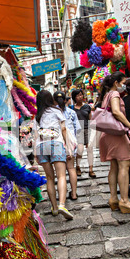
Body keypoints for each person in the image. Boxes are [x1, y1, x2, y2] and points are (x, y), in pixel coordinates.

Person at [98, 71, 130, 214]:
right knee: (124, 164)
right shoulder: (115, 94)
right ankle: (125, 201)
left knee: (114, 166)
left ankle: (114, 199)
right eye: (122, 83)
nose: (123, 86)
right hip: (116, 134)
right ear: (116, 83)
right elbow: (116, 112)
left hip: (107, 134)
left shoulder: (106, 95)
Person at [34, 90, 74, 220]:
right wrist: (68, 147)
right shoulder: (57, 111)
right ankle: (62, 204)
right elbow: (63, 129)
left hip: (41, 146)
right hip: (55, 143)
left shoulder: (37, 116)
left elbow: (35, 135)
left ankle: (55, 208)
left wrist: (35, 152)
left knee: (49, 178)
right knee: (61, 175)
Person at [54, 90, 81, 201]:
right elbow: (78, 129)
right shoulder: (72, 113)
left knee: (61, 174)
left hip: (57, 144)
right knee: (71, 168)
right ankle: (74, 194)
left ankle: (62, 196)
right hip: (70, 144)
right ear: (66, 100)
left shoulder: (52, 113)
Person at [71, 89, 96, 178]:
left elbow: (91, 120)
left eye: (81, 95)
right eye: (77, 96)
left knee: (90, 149)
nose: (80, 97)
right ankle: (78, 167)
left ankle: (91, 169)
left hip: (87, 129)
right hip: (78, 131)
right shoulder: (72, 108)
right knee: (80, 150)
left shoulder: (87, 107)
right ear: (74, 98)